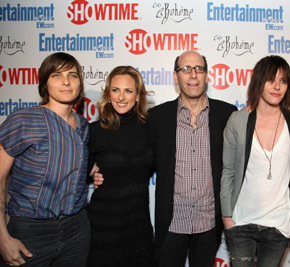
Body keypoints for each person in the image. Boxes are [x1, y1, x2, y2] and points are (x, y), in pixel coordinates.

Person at [0, 52, 90, 266]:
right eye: (57, 75)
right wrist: (2, 237)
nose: (66, 81)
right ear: (44, 83)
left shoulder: (84, 125)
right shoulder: (23, 119)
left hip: (77, 230)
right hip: (30, 231)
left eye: (73, 75)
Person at [148, 50, 237, 267]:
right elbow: (141, 160)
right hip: (171, 222)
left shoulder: (227, 114)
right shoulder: (157, 117)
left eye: (199, 69)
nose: (193, 75)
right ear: (175, 76)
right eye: (186, 69)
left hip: (209, 223)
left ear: (207, 75)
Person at [220, 55, 290, 267]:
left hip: (278, 224)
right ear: (259, 81)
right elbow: (228, 171)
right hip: (240, 222)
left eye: (283, 80)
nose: (277, 86)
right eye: (270, 79)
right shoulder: (239, 120)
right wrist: (227, 217)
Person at [86, 66, 155, 266]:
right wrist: (92, 174)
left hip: (138, 225)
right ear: (108, 93)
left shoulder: (150, 128)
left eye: (128, 90)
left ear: (138, 95)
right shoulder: (94, 131)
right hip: (105, 225)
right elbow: (78, 174)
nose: (121, 97)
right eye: (115, 90)